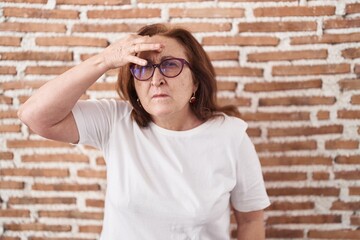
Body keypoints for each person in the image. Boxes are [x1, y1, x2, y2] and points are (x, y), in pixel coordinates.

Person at [18, 23, 270, 240]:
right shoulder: (115, 121)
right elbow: (34, 116)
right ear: (135, 85)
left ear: (195, 80)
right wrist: (105, 59)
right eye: (143, 67)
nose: (156, 79)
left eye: (170, 65)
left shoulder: (231, 136)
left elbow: (250, 221)